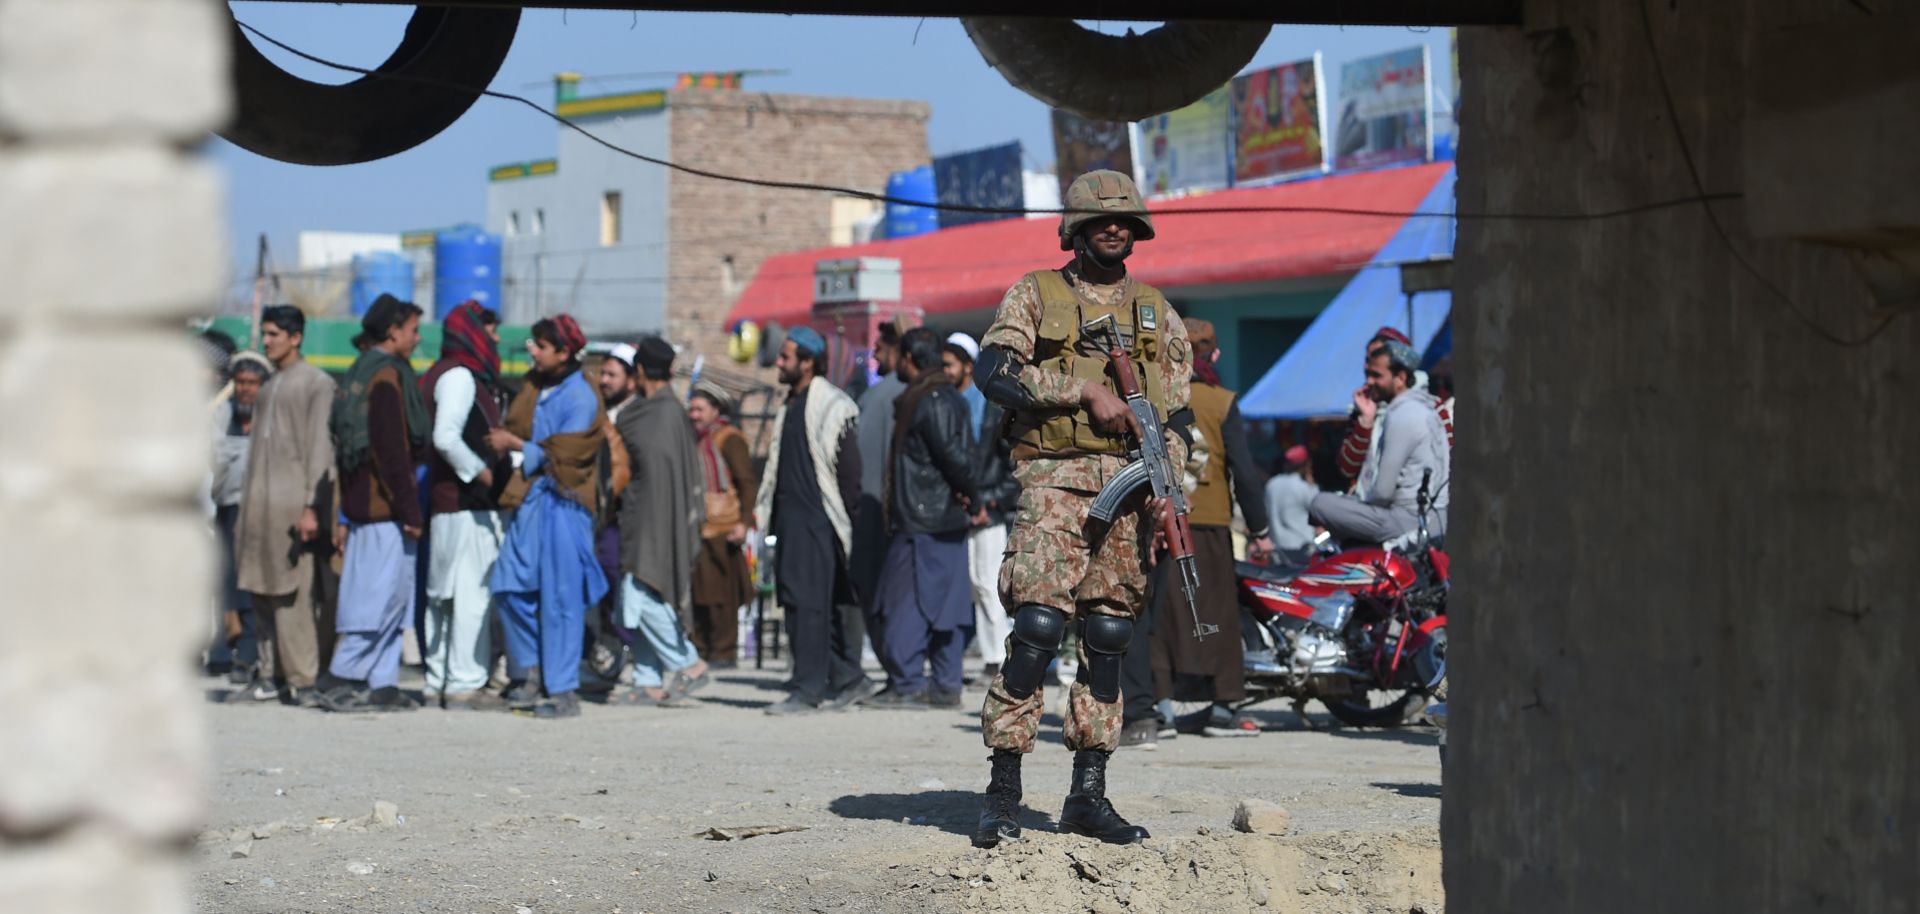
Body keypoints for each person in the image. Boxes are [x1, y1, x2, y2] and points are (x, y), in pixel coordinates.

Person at [971, 170, 1194, 847]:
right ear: (1075, 228)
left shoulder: (1156, 311)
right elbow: (994, 372)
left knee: (1108, 638)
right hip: (1053, 480)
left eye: (1125, 218)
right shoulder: (1037, 293)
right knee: (1038, 628)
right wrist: (1080, 393)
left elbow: (1178, 414)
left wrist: (1169, 491)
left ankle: (1087, 794)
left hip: (1130, 490)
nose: (1114, 227)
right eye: (1101, 219)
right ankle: (1003, 791)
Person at [1147, 317, 1272, 739]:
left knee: (1164, 617)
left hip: (1162, 523)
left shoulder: (1156, 399)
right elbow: (1244, 472)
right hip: (1211, 523)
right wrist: (1260, 529)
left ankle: (1162, 709)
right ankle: (1223, 707)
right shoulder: (1222, 401)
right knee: (1218, 613)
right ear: (1213, 355)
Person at [488, 314, 610, 719]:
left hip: (565, 503)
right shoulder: (533, 387)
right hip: (532, 502)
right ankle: (532, 672)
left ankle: (563, 690)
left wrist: (518, 444)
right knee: (509, 587)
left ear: (563, 352)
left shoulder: (580, 396)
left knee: (561, 598)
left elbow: (570, 453)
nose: (532, 352)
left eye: (541, 346)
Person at [754, 327, 875, 715]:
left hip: (818, 522)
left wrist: (849, 523)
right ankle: (847, 679)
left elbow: (849, 473)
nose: (779, 362)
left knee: (810, 606)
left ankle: (808, 690)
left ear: (807, 362)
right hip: (791, 521)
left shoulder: (832, 406)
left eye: (787, 357)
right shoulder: (791, 403)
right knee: (805, 602)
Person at [320, 295, 428, 712]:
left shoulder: (362, 373)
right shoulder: (385, 377)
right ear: (393, 332)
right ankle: (340, 677)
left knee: (394, 600)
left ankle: (383, 684)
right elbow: (391, 452)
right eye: (413, 331)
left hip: (371, 508)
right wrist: (410, 509)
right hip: (385, 510)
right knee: (377, 603)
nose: (417, 339)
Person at [869, 327, 980, 709]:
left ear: (909, 357)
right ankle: (944, 684)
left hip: (923, 520)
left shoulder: (929, 399)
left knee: (907, 605)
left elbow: (954, 457)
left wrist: (974, 491)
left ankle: (909, 682)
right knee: (945, 607)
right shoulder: (941, 396)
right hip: (940, 518)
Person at [231, 305, 338, 705]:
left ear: (296, 337)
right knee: (261, 590)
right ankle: (268, 673)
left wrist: (312, 506)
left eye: (275, 334)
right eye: (266, 333)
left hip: (293, 509)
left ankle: (303, 678)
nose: (268, 341)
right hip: (259, 507)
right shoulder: (270, 385)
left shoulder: (316, 384)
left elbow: (319, 451)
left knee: (293, 596)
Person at [420, 302, 511, 710]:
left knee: (444, 595)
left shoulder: (440, 373)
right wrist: (480, 472)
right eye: (489, 329)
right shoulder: (458, 376)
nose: (494, 338)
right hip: (466, 505)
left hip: (449, 505)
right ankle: (463, 683)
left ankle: (438, 679)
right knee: (469, 594)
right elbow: (445, 437)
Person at [613, 336, 711, 707]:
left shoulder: (665, 413)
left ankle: (689, 663)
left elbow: (659, 474)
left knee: (639, 596)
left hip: (654, 518)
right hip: (643, 515)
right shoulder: (650, 409)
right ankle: (648, 680)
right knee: (648, 591)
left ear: (639, 370)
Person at [1311, 340, 1450, 545]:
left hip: (1409, 519)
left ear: (1401, 377)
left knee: (1318, 503)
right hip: (1436, 516)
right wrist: (1365, 420)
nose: (1369, 382)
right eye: (1367, 374)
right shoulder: (1426, 407)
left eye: (1377, 375)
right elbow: (1348, 466)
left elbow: (1382, 494)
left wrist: (1357, 509)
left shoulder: (1402, 413)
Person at [942, 332, 1018, 685]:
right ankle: (990, 657)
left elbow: (1010, 466)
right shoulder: (953, 406)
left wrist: (990, 500)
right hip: (969, 510)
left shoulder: (990, 410)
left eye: (950, 365)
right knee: (975, 584)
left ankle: (999, 658)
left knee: (989, 583)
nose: (946, 372)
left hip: (989, 509)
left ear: (968, 367)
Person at [209, 351, 271, 683]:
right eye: (241, 383)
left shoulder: (270, 415)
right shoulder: (223, 414)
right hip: (227, 508)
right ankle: (220, 650)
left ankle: (247, 653)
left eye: (252, 383)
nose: (246, 389)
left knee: (249, 584)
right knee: (222, 579)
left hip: (259, 513)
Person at [688, 385, 756, 668]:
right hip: (698, 525)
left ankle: (724, 651)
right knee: (699, 593)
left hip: (724, 526)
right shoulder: (693, 440)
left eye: (699, 409)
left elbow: (746, 482)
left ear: (715, 410)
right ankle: (702, 648)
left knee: (722, 595)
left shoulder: (729, 439)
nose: (694, 415)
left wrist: (743, 522)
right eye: (691, 409)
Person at [1336, 327, 1452, 488]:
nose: (1369, 365)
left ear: (1400, 373)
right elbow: (1347, 469)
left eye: (1377, 357)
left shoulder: (1432, 407)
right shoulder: (1362, 407)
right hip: (1370, 504)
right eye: (1368, 359)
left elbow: (1449, 461)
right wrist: (1365, 423)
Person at [850, 321, 904, 653]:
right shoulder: (922, 393)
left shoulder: (882, 396)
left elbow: (863, 463)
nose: (875, 356)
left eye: (881, 349)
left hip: (875, 514)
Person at [1263, 445, 1318, 565]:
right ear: (1305, 465)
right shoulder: (1304, 487)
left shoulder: (1271, 484)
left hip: (1277, 549)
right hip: (1301, 549)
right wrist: (1312, 483)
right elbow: (1319, 509)